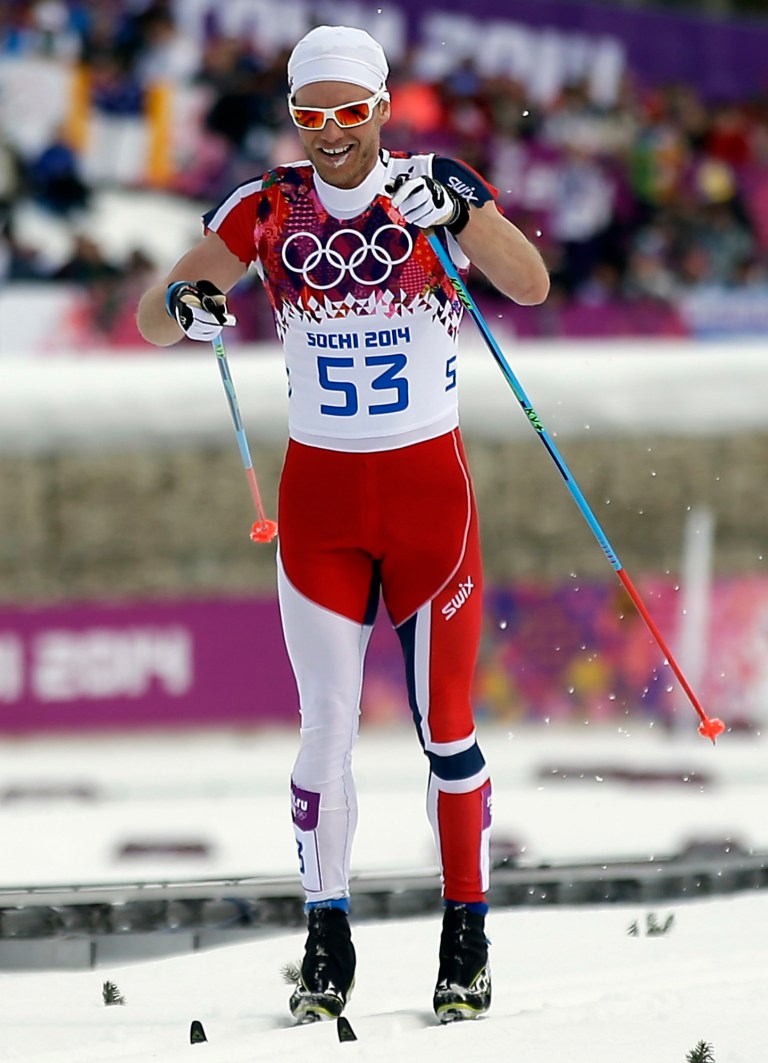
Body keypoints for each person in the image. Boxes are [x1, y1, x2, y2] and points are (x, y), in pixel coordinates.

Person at [137, 25, 549, 1024]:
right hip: (320, 505)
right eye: (310, 115)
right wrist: (187, 304)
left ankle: (467, 934)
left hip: (427, 503)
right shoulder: (269, 206)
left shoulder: (434, 182)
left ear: (380, 106)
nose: (330, 132)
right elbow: (158, 308)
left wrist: (461, 213)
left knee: (444, 730)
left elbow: (529, 282)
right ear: (294, 117)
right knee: (324, 730)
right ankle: (326, 938)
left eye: (349, 111)